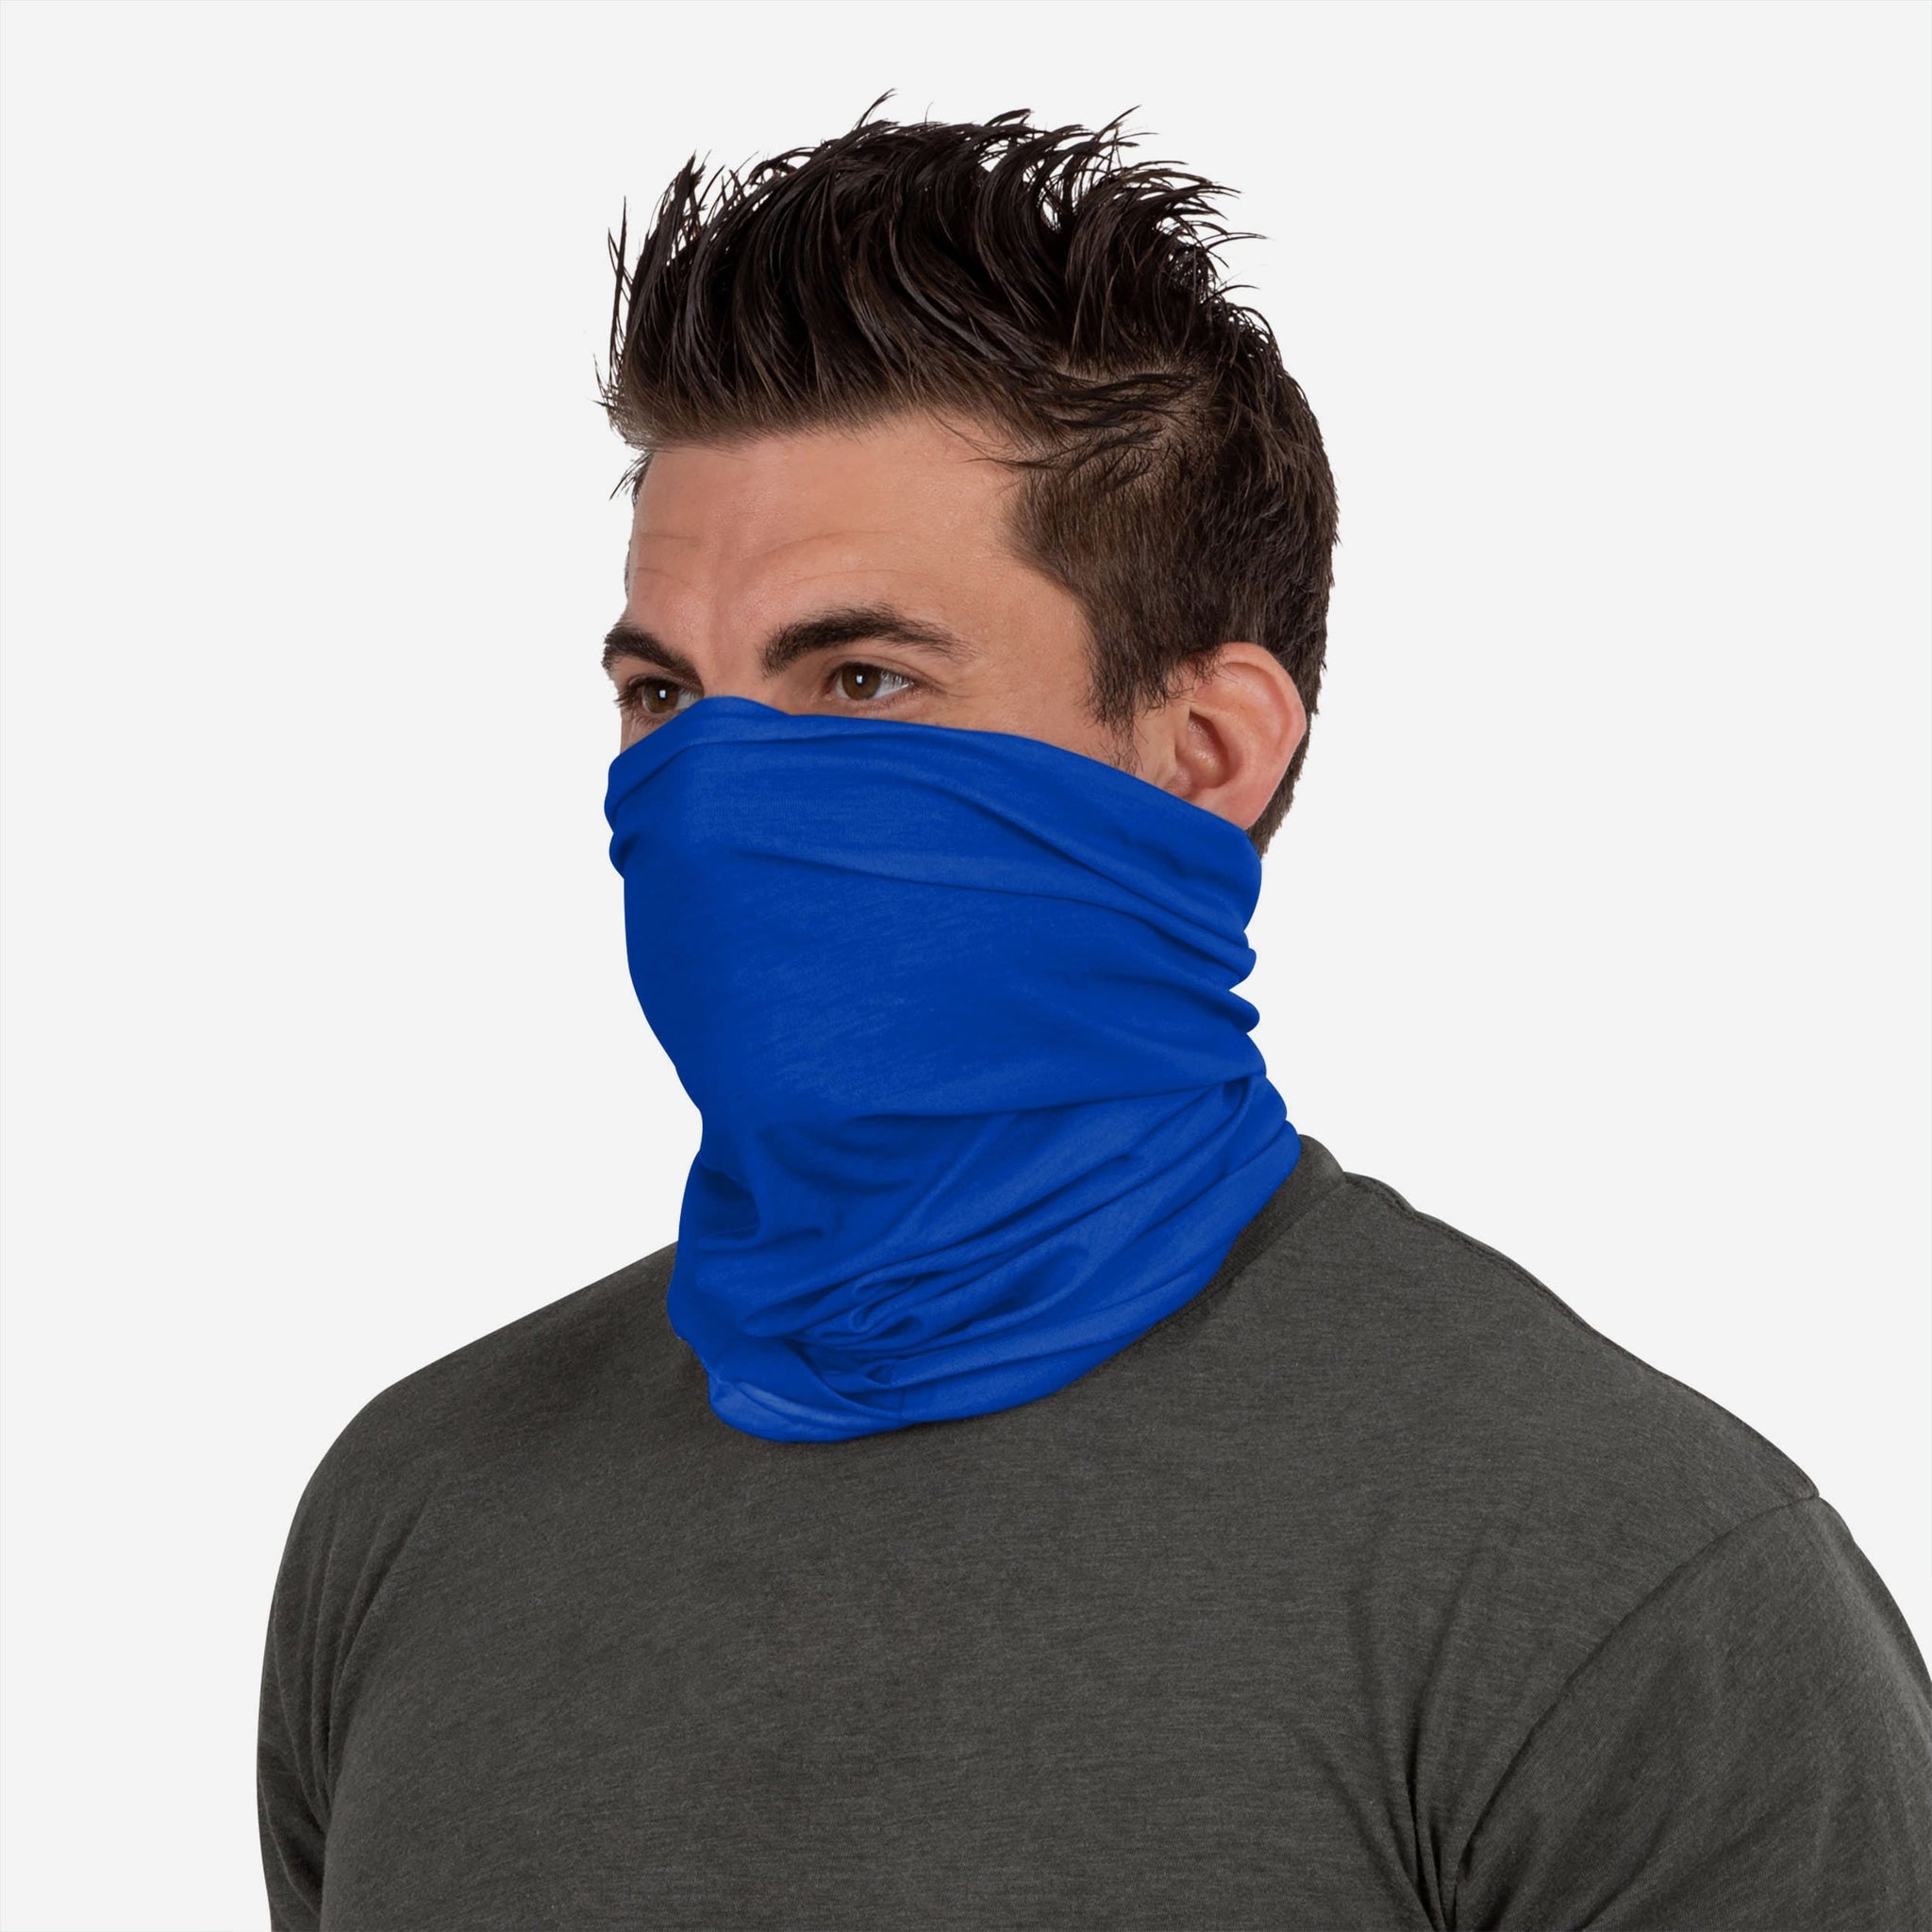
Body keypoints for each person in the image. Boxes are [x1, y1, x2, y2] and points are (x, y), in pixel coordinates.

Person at [257, 99, 1932, 1931]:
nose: (715, 800)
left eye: (861, 680)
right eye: (664, 698)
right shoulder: (416, 1512)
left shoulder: (1618, 1585)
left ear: (1204, 750)